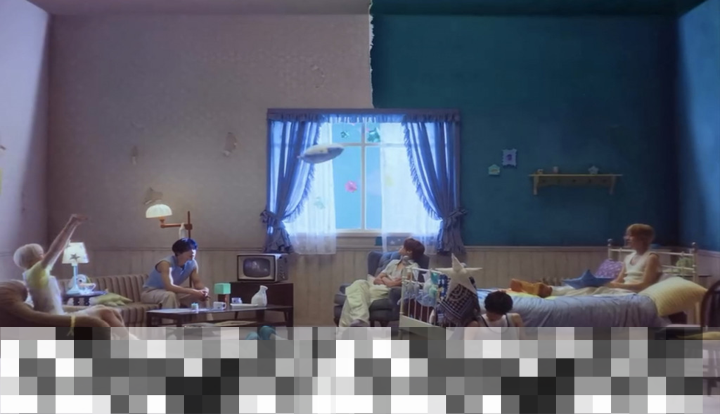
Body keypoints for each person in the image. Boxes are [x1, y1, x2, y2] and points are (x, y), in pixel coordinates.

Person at [13, 214, 133, 336]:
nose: (44, 256)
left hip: (59, 316)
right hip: (55, 320)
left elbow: (58, 249)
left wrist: (73, 226)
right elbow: (56, 250)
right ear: (30, 260)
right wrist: (71, 224)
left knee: (106, 309)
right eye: (40, 254)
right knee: (106, 312)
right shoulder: (35, 273)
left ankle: (125, 341)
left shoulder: (36, 275)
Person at [509, 223, 662, 298]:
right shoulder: (628, 257)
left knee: (590, 290)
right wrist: (607, 282)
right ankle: (544, 289)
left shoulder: (651, 257)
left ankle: (547, 291)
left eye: (630, 235)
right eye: (627, 235)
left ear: (642, 239)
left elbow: (645, 285)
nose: (626, 238)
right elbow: (619, 280)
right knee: (586, 286)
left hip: (632, 294)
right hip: (620, 289)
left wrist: (614, 285)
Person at [338, 238, 425, 328]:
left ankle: (354, 323)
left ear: (409, 251)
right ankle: (359, 320)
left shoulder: (413, 267)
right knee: (359, 283)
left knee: (353, 295)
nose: (400, 247)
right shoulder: (393, 262)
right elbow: (376, 279)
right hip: (375, 287)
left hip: (386, 291)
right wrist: (388, 280)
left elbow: (392, 285)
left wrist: (384, 278)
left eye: (403, 246)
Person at [140, 238, 210, 310]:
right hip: (150, 292)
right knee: (170, 295)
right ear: (178, 252)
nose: (192, 251)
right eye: (188, 249)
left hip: (170, 291)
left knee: (200, 296)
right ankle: (171, 318)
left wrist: (204, 290)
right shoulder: (166, 263)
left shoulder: (193, 263)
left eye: (194, 248)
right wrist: (193, 291)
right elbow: (169, 287)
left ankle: (205, 317)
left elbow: (197, 282)